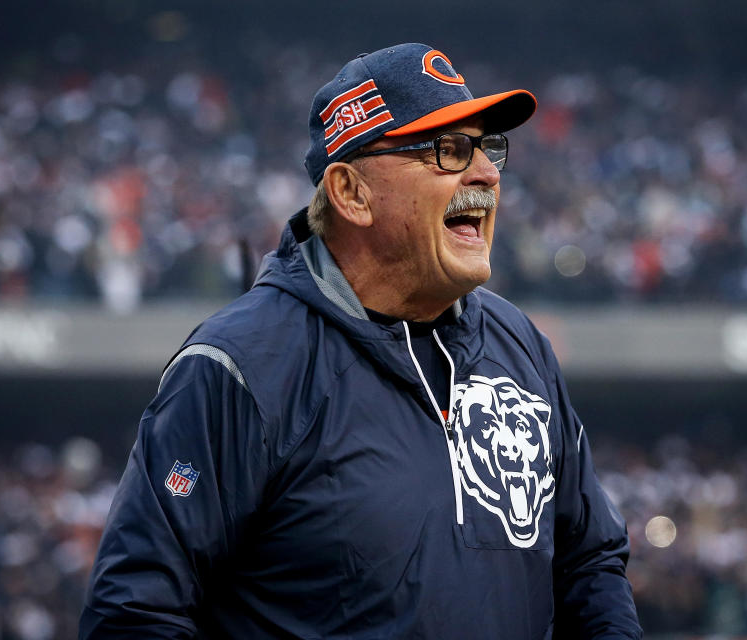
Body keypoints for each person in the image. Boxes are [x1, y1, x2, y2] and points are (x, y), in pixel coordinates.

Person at [80, 43, 642, 639]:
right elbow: (135, 614)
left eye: (487, 148)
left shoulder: (520, 345)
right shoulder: (239, 367)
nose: (485, 174)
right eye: (447, 151)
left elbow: (591, 563)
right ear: (351, 193)